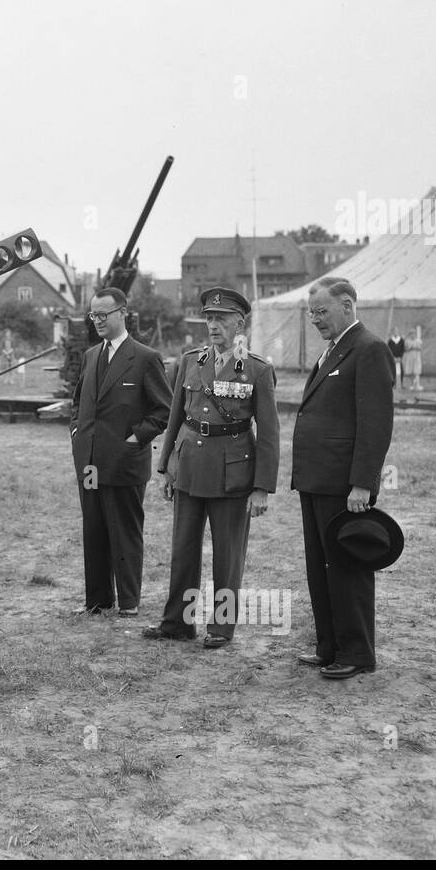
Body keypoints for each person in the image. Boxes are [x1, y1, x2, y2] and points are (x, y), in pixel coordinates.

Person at [142, 287, 279, 649]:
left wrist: (262, 486)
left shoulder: (256, 369)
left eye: (221, 319)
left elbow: (269, 433)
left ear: (240, 323)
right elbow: (175, 418)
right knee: (182, 549)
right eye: (209, 318)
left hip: (232, 471)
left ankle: (221, 627)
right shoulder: (190, 361)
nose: (213, 325)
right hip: (188, 466)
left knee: (228, 554)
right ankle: (177, 623)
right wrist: (165, 467)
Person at [292, 277, 395, 679]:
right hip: (317, 481)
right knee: (321, 568)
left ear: (347, 306)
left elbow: (375, 424)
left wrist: (363, 483)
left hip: (343, 485)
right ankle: (329, 646)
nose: (315, 320)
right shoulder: (333, 351)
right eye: (311, 313)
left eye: (322, 312)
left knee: (348, 567)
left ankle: (357, 653)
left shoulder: (369, 349)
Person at [69, 288, 172, 616]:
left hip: (125, 464)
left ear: (122, 313)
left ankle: (129, 602)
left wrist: (133, 440)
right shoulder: (90, 356)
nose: (97, 321)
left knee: (125, 533)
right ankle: (97, 601)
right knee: (94, 530)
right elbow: (77, 403)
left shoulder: (145, 358)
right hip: (89, 463)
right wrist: (77, 434)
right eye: (93, 315)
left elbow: (164, 411)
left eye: (103, 314)